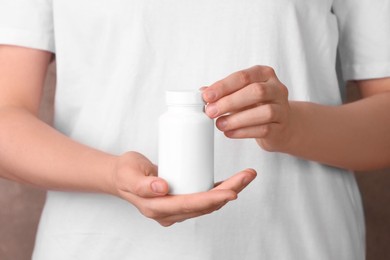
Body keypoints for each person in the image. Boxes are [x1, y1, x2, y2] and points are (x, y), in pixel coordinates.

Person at [0, 0, 389, 259]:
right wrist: (110, 175)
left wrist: (293, 126)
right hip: (100, 247)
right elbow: (6, 116)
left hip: (296, 245)